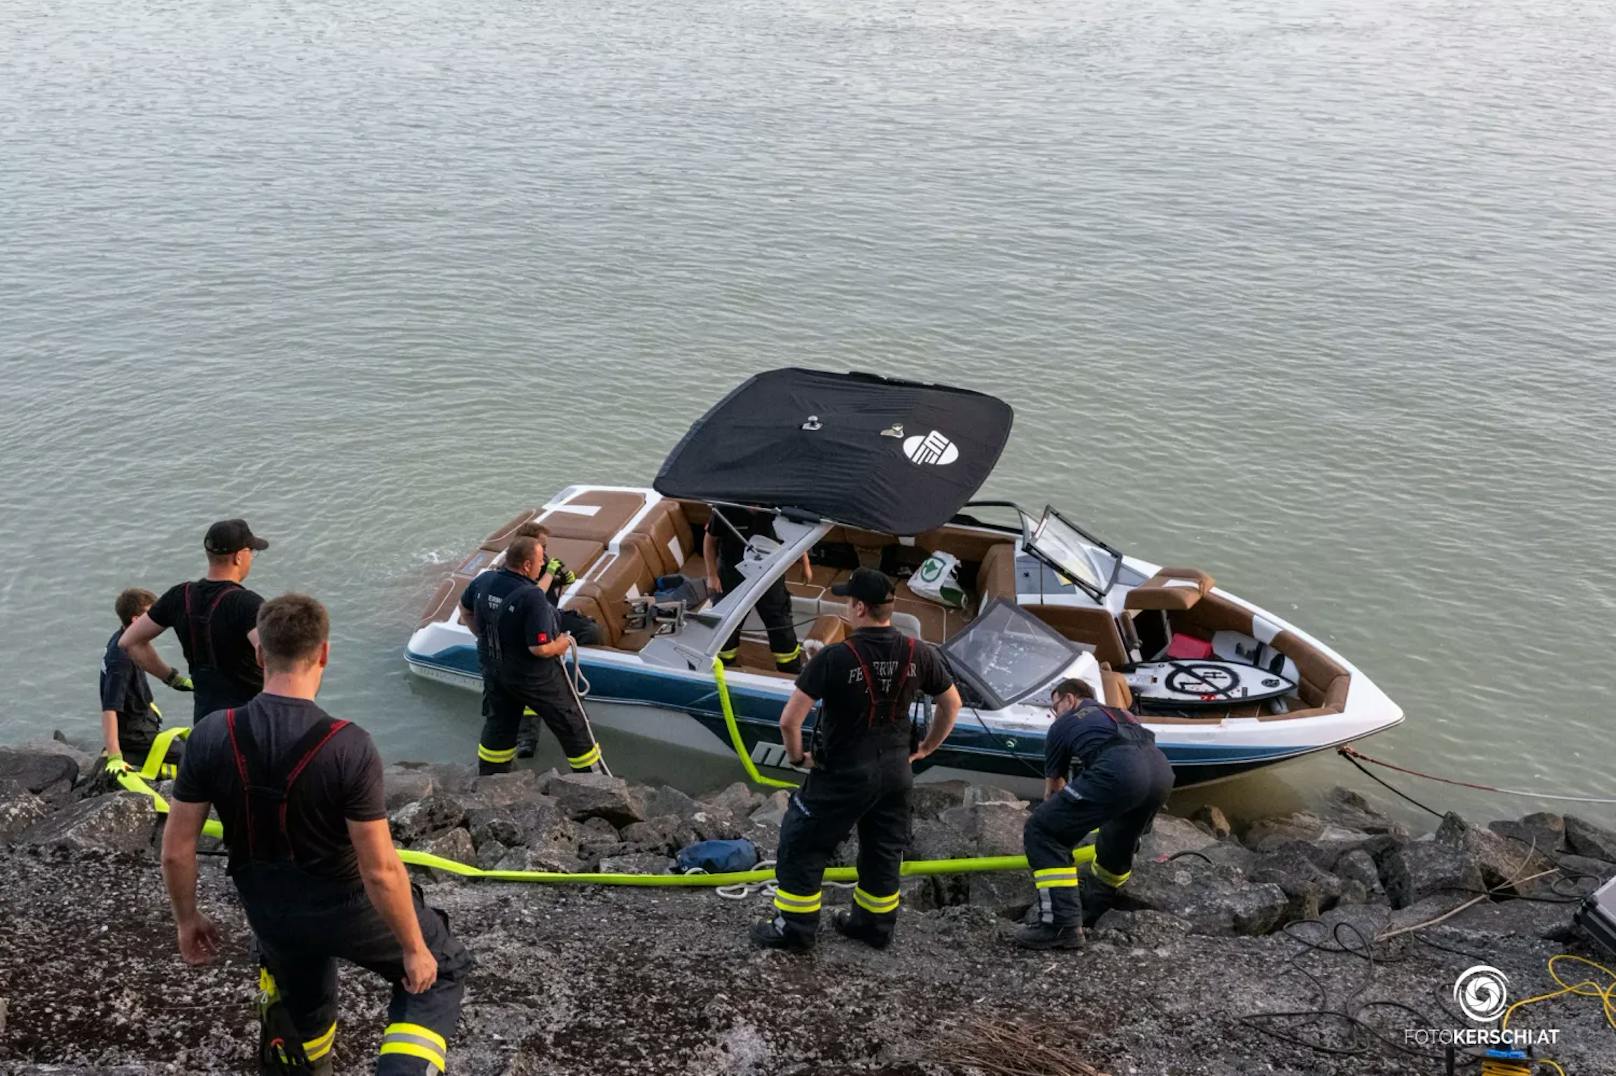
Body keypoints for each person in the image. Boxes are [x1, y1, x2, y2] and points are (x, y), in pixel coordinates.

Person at [161, 593, 472, 1075]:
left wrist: (187, 920)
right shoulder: (348, 745)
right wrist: (414, 948)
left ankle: (303, 1061)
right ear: (324, 652)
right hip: (346, 906)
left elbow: (177, 852)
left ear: (260, 653)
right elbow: (380, 870)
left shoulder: (210, 734)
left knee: (300, 986)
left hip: (269, 910)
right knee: (444, 965)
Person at [751, 568, 962, 952]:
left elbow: (789, 720)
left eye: (849, 601)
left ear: (860, 608)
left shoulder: (835, 657)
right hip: (896, 773)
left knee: (802, 842)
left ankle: (794, 928)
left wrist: (799, 758)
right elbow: (951, 704)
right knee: (883, 850)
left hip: (843, 773)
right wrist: (927, 749)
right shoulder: (919, 652)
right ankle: (873, 925)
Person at [1016, 677, 1175, 950]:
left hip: (1121, 771)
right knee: (1119, 835)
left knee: (1043, 830)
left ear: (1070, 699)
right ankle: (1099, 904)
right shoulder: (1120, 713)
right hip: (1161, 774)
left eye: (1055, 706)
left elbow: (1054, 789)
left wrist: (1050, 818)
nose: (1055, 714)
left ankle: (1060, 926)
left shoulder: (1064, 723)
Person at [479, 536, 606, 777]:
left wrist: (489, 641)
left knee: (499, 726)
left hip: (495, 670)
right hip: (534, 675)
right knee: (572, 724)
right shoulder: (533, 596)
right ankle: (594, 783)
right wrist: (562, 643)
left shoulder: (484, 581)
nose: (542, 565)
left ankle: (491, 777)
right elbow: (540, 649)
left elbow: (467, 611)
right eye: (539, 561)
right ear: (527, 565)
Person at [121, 518, 269, 722]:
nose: (251, 558)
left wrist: (171, 678)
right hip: (249, 720)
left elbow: (129, 641)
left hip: (205, 721)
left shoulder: (180, 596)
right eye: (251, 552)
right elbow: (273, 655)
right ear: (238, 557)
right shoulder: (246, 604)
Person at [703, 504, 811, 674]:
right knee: (726, 621)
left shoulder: (778, 508)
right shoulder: (725, 509)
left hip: (769, 574)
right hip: (732, 576)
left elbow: (794, 538)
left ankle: (790, 667)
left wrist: (805, 564)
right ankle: (722, 664)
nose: (755, 505)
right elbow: (709, 541)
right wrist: (712, 576)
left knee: (779, 621)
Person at [100, 587, 192, 779]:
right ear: (136, 620)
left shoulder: (125, 638)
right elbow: (109, 709)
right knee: (192, 756)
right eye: (152, 615)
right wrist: (114, 755)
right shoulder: (120, 660)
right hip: (135, 734)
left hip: (144, 720)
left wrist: (173, 679)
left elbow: (145, 653)